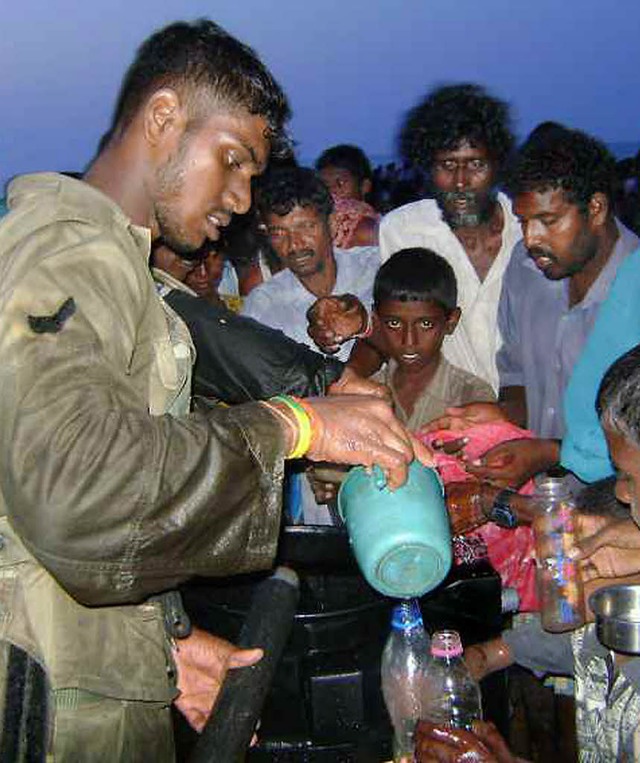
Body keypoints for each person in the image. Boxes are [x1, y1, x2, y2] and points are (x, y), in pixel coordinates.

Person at [0, 20, 429, 759]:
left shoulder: (121, 265)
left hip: (96, 657)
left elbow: (199, 353)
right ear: (163, 119)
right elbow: (74, 484)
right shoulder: (63, 250)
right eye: (232, 161)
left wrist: (165, 633)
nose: (239, 199)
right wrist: (296, 426)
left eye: (252, 176)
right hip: (50, 702)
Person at [455, 126, 638, 491]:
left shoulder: (633, 289)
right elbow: (516, 374)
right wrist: (503, 419)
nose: (531, 238)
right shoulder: (525, 270)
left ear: (596, 209)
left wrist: (549, 453)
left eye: (549, 221)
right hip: (540, 500)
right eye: (523, 221)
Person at [375, 83, 521, 390]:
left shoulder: (527, 230)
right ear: (428, 167)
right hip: (449, 414)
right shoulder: (404, 230)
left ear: (497, 166)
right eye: (447, 165)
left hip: (533, 412)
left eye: (476, 165)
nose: (460, 182)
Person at [242, 165, 380, 361]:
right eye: (278, 233)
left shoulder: (375, 268)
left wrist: (365, 322)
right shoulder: (262, 306)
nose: (294, 244)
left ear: (332, 224)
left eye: (306, 227)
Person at [371, 248, 494, 428]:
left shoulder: (472, 396)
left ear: (451, 322)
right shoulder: (364, 396)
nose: (409, 342)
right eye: (394, 324)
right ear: (376, 320)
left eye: (425, 324)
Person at [315, 143, 379, 248]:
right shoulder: (319, 224)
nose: (332, 191)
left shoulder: (369, 230)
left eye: (340, 183)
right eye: (324, 186)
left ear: (364, 186)